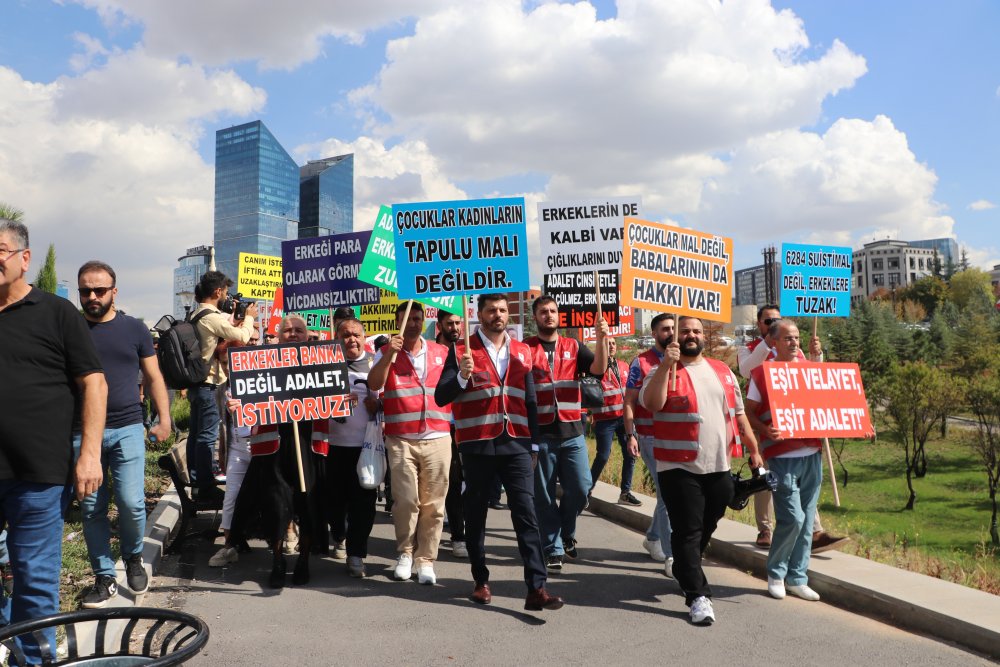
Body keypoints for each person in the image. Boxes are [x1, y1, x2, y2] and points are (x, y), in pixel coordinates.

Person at [0, 217, 106, 658]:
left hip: (38, 474)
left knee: (34, 579)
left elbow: (94, 383)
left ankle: (33, 659)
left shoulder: (57, 313)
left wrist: (90, 455)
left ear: (24, 258)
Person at [435, 293, 563, 611]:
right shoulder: (461, 350)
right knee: (476, 515)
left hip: (517, 443)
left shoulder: (522, 351)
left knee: (526, 513)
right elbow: (441, 396)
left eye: (503, 310)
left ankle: (537, 588)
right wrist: (462, 376)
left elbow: (530, 401)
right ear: (479, 315)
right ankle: (481, 581)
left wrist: (534, 444)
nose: (498, 315)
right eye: (492, 310)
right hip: (477, 444)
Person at [641, 316, 762, 626]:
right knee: (688, 531)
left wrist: (754, 450)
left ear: (703, 336)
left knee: (706, 525)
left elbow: (738, 415)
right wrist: (666, 366)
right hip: (678, 466)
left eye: (696, 331)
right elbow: (652, 403)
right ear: (675, 337)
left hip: (719, 466)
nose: (691, 335)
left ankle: (684, 565)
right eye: (685, 331)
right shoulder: (660, 372)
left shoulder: (722, 372)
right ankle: (698, 596)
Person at [74, 261, 172, 608]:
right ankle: (104, 577)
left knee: (131, 502)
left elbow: (154, 376)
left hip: (127, 426)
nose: (93, 296)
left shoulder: (134, 329)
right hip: (81, 433)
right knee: (91, 508)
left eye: (100, 290)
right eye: (86, 290)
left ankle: (132, 557)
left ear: (114, 292)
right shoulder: (71, 329)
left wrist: (164, 418)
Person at [228, 315, 328, 588]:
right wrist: (237, 404)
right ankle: (277, 560)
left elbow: (333, 401)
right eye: (287, 330)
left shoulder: (321, 362)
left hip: (308, 446)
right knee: (275, 507)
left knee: (308, 505)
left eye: (298, 330)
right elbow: (246, 397)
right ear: (278, 334)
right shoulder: (260, 362)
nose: (293, 334)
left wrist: (343, 400)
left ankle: (304, 560)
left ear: (307, 335)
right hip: (273, 449)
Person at [737, 305, 845, 553]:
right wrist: (769, 343)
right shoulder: (750, 349)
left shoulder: (794, 350)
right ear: (760, 324)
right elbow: (747, 370)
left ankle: (814, 532)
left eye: (777, 320)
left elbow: (811, 377)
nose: (773, 323)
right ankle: (765, 529)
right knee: (766, 478)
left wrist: (816, 356)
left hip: (795, 428)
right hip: (765, 426)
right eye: (768, 321)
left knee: (800, 485)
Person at [368, 302, 453, 584]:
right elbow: (374, 384)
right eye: (408, 319)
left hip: (437, 437)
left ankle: (426, 559)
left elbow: (455, 386)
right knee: (405, 501)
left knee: (434, 504)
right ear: (398, 322)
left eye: (417, 318)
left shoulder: (441, 352)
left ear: (424, 320)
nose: (413, 324)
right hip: (401, 438)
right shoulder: (385, 352)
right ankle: (405, 552)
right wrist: (388, 356)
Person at [524, 296, 608, 571]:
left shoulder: (573, 346)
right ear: (535, 317)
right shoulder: (525, 348)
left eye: (552, 311)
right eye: (543, 312)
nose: (548, 315)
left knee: (582, 488)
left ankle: (566, 531)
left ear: (558, 315)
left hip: (572, 432)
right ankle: (553, 548)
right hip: (541, 435)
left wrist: (602, 339)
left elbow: (598, 369)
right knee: (543, 496)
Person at [745, 320, 824, 602]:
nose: (794, 343)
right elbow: (748, 412)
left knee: (806, 521)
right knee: (793, 518)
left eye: (797, 338)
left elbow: (833, 402)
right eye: (788, 338)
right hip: (781, 457)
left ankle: (797, 578)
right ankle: (776, 574)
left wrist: (859, 425)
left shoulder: (810, 370)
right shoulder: (761, 374)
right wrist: (764, 430)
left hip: (812, 455)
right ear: (774, 342)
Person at [189, 271, 257, 499]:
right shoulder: (211, 317)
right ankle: (205, 487)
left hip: (197, 384)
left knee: (196, 434)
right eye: (226, 293)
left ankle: (197, 481)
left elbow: (220, 338)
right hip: (207, 384)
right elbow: (243, 336)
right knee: (207, 436)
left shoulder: (197, 314)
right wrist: (249, 317)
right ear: (218, 291)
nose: (227, 297)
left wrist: (234, 318)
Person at [326, 317, 379, 578]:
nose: (352, 340)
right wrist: (335, 404)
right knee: (334, 502)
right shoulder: (326, 365)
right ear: (337, 338)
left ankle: (356, 554)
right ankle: (339, 534)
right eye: (346, 335)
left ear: (364, 337)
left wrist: (377, 406)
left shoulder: (376, 363)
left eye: (356, 334)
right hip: (332, 446)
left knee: (364, 503)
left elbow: (390, 399)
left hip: (366, 447)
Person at [623, 313, 674, 566]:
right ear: (654, 333)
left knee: (668, 493)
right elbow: (629, 401)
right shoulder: (641, 362)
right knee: (668, 493)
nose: (671, 332)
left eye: (674, 327)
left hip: (678, 436)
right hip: (650, 437)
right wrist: (630, 435)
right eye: (665, 329)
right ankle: (670, 552)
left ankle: (653, 537)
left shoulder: (684, 360)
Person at [208, 330, 260, 568]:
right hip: (237, 449)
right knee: (230, 497)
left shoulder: (260, 382)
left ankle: (284, 537)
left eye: (232, 361)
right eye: (224, 363)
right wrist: (222, 452)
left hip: (260, 447)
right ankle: (229, 546)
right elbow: (223, 425)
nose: (229, 368)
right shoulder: (222, 390)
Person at [588, 336, 640, 506]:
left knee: (630, 453)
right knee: (603, 456)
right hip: (605, 420)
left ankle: (625, 493)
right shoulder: (596, 368)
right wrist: (591, 415)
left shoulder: (624, 366)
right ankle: (586, 490)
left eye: (613, 343)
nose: (611, 346)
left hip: (624, 418)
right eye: (607, 343)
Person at [436, 310, 467, 558]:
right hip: (437, 425)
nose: (455, 327)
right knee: (447, 483)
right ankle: (452, 535)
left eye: (458, 323)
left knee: (461, 483)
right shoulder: (432, 353)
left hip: (464, 426)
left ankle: (460, 534)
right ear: (439, 325)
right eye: (450, 323)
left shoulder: (467, 352)